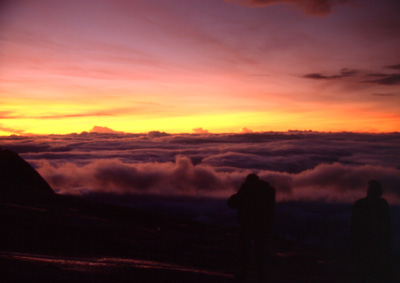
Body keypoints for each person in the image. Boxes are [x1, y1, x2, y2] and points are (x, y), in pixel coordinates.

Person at [227, 173, 275, 282]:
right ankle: (261, 275)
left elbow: (232, 203)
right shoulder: (267, 191)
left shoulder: (247, 189)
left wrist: (235, 196)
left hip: (247, 224)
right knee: (260, 252)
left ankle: (244, 274)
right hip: (262, 226)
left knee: (245, 251)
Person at [351, 180, 392, 282]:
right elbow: (387, 224)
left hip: (367, 243)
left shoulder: (360, 204)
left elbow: (354, 226)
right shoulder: (382, 204)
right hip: (374, 243)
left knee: (366, 271)